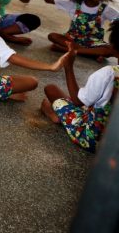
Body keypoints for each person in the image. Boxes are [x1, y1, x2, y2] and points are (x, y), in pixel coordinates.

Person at [41, 24, 119, 153]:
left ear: (113, 48)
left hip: (96, 140)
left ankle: (55, 115)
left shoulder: (109, 73)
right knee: (92, 104)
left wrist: (69, 67)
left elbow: (78, 101)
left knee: (51, 89)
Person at [38, 0, 118, 61]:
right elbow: (48, 0)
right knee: (52, 36)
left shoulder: (105, 9)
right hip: (73, 39)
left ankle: (65, 50)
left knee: (111, 50)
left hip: (93, 42)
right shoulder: (74, 4)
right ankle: (91, 54)